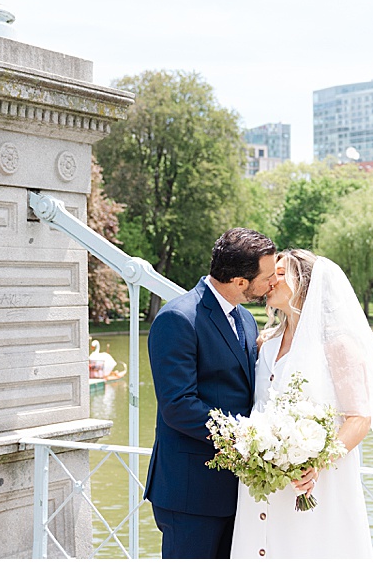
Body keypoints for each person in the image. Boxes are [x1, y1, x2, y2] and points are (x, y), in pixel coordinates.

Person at [230, 249, 373, 559]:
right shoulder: (265, 342)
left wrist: (316, 464)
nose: (271, 280)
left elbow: (359, 418)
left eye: (281, 274)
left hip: (316, 480)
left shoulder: (337, 344)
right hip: (265, 478)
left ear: (306, 283)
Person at [144, 228, 278, 559]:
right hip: (190, 492)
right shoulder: (178, 318)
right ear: (240, 282)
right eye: (269, 276)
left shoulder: (247, 320)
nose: (273, 282)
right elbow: (179, 406)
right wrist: (249, 435)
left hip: (238, 490)